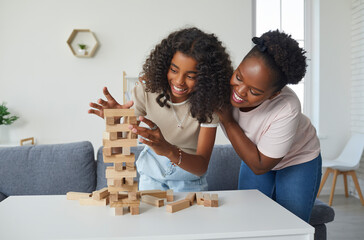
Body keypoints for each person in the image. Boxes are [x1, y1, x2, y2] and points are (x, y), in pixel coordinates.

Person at [89, 27, 233, 192]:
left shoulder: (211, 103)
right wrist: (114, 124)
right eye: (173, 70)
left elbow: (201, 167)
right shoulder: (145, 90)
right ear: (165, 65)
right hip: (151, 179)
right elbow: (118, 152)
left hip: (190, 182)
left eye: (191, 76)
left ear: (207, 77)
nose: (179, 81)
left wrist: (169, 151)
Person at [218, 30, 321, 222]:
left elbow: (260, 165)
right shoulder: (222, 86)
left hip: (297, 159)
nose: (239, 92)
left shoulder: (287, 107)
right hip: (254, 153)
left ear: (274, 95)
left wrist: (227, 120)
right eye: (239, 77)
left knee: (292, 224)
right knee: (248, 219)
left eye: (254, 91)